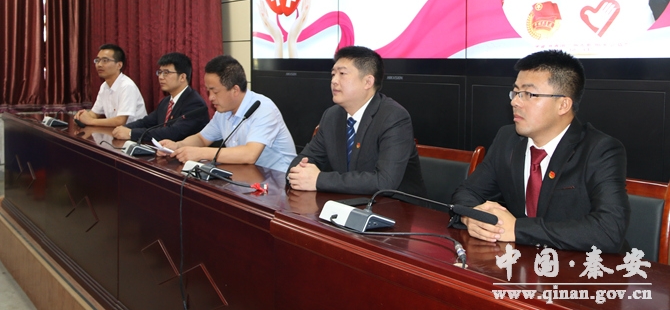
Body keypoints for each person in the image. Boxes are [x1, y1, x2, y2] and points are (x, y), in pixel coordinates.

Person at [450, 50, 630, 253]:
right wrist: (470, 217)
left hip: (584, 266)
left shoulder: (600, 150)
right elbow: (467, 192)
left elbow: (609, 229)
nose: (515, 102)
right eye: (515, 92)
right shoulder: (507, 139)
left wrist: (518, 229)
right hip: (523, 262)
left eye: (528, 94)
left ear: (563, 104)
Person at [286, 46, 425, 195]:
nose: (334, 81)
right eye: (333, 74)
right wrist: (299, 174)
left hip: (397, 206)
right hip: (349, 201)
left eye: (342, 74)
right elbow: (302, 161)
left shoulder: (393, 117)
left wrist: (319, 179)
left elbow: (384, 182)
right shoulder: (332, 116)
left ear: (367, 82)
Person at [159, 55, 296, 172]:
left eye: (215, 91)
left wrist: (201, 153)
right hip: (246, 175)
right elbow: (202, 139)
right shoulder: (223, 110)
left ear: (235, 90)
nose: (210, 97)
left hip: (279, 181)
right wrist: (178, 146)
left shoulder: (263, 108)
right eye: (208, 91)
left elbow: (249, 154)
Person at [111, 52, 209, 142]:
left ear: (182, 77)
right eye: (160, 72)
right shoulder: (166, 101)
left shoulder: (195, 104)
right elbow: (146, 122)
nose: (161, 77)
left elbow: (172, 133)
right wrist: (124, 128)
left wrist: (131, 133)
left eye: (166, 73)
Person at [75, 44, 147, 127]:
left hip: (134, 133)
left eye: (105, 60)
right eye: (97, 60)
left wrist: (90, 121)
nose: (99, 64)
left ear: (119, 65)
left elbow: (120, 121)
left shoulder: (127, 86)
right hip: (116, 132)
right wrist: (81, 116)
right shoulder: (104, 86)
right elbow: (94, 114)